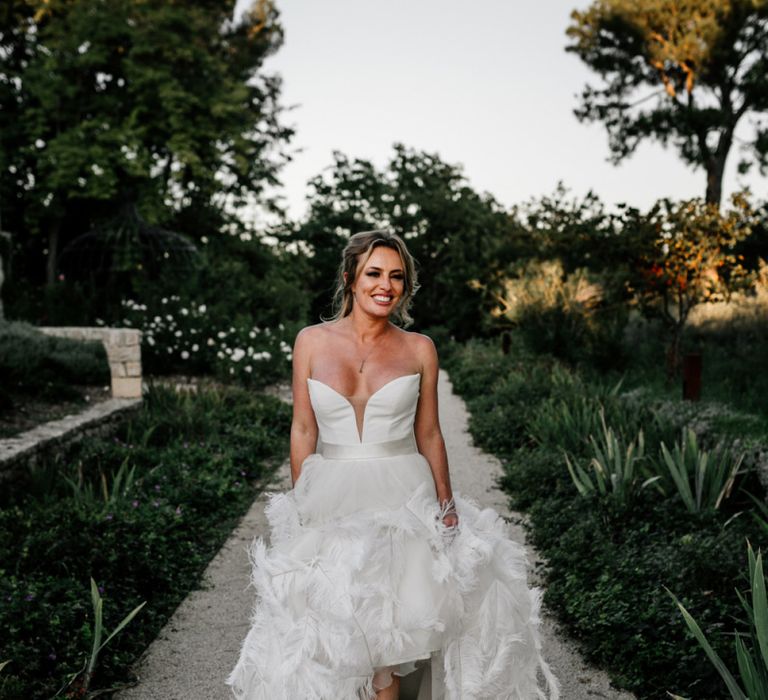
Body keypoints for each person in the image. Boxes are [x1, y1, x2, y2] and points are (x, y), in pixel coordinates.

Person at [227, 230, 559, 700]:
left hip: (401, 496)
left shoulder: (419, 348)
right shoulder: (310, 342)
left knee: (394, 630)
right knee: (338, 624)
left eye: (396, 276)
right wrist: (302, 499)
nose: (386, 285)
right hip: (333, 494)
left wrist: (446, 504)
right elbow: (303, 430)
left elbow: (429, 433)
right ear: (350, 278)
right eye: (374, 274)